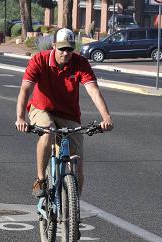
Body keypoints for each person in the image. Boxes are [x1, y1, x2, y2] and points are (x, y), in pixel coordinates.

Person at [15, 28, 113, 197]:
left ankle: (73, 212)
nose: (66, 53)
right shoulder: (40, 60)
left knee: (77, 163)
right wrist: (20, 118)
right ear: (53, 46)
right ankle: (40, 179)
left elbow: (94, 91)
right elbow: (25, 89)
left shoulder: (80, 63)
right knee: (48, 131)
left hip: (69, 114)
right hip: (42, 108)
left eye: (70, 49)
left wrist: (106, 117)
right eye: (62, 49)